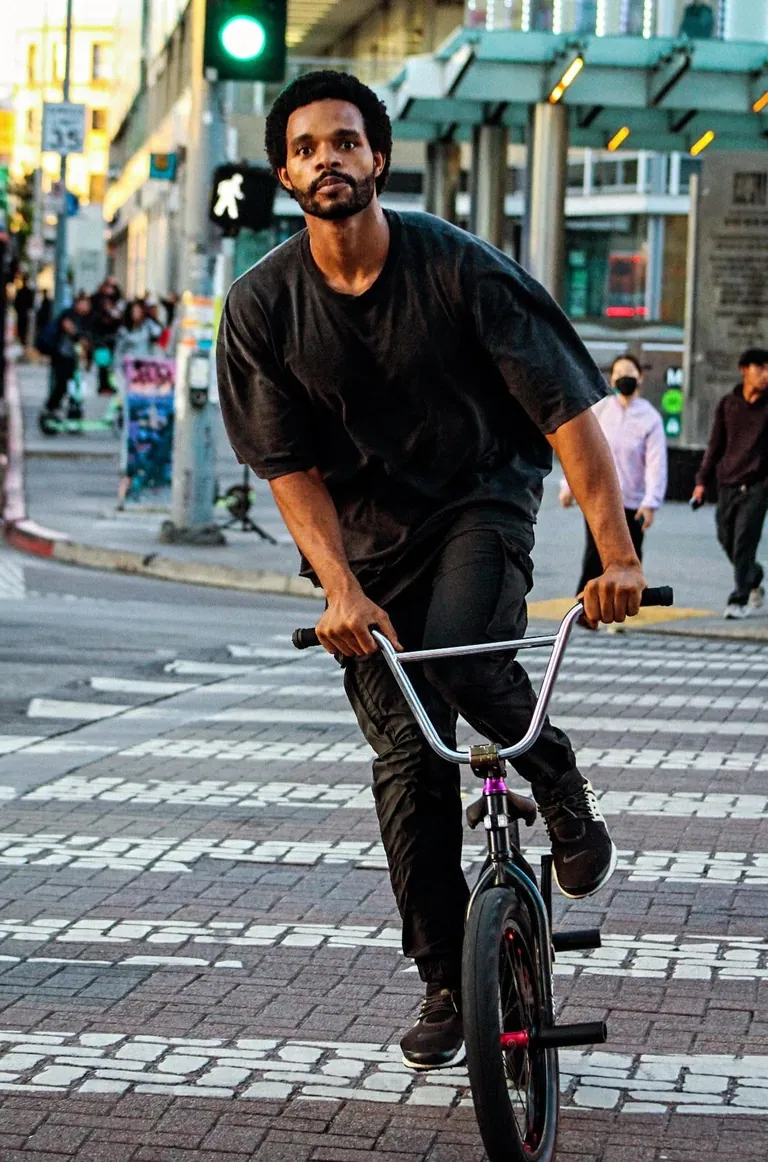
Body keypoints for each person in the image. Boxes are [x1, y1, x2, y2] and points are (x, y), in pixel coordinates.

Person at [216, 70, 647, 1073]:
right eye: (309, 146)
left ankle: (559, 784)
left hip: (479, 500)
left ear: (377, 157)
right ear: (286, 172)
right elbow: (289, 468)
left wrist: (616, 553)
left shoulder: (459, 270)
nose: (330, 157)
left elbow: (568, 412)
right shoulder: (263, 306)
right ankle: (446, 979)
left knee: (461, 656)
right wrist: (338, 586)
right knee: (407, 769)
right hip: (364, 548)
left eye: (347, 140)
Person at [560, 353, 667, 604]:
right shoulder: (600, 409)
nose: (623, 378)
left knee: (629, 557)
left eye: (629, 373)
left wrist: (650, 503)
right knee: (594, 554)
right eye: (617, 373)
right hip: (600, 498)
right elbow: (580, 451)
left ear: (640, 377)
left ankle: (623, 608)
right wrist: (568, 487)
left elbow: (656, 464)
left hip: (633, 501)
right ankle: (586, 609)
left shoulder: (650, 418)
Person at [691, 348, 768, 619]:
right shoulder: (728, 404)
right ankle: (754, 575)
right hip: (727, 484)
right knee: (726, 538)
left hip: (757, 487)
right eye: (760, 369)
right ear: (744, 370)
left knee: (744, 542)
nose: (766, 375)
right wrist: (701, 482)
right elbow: (715, 446)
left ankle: (739, 599)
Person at [43, 294, 91, 415]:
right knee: (63, 384)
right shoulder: (69, 314)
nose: (87, 307)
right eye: (84, 303)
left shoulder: (84, 318)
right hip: (63, 355)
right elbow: (69, 328)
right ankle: (51, 407)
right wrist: (79, 337)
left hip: (73, 357)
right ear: (78, 303)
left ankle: (73, 410)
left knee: (74, 385)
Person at [14, 277, 35, 350]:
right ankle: (22, 341)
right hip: (23, 313)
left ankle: (22, 341)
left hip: (22, 313)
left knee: (22, 328)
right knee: (23, 328)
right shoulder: (26, 291)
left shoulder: (22, 291)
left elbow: (16, 303)